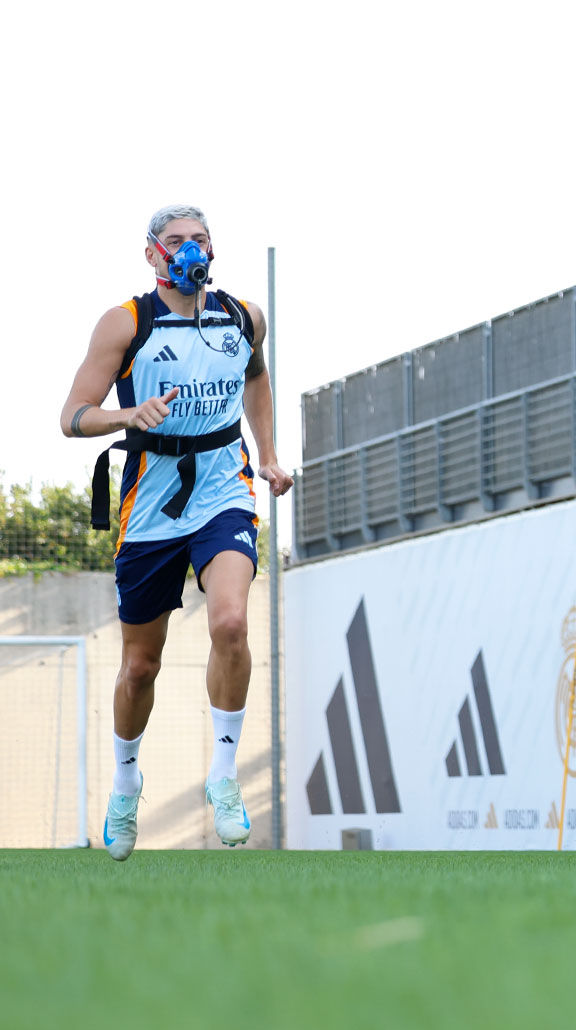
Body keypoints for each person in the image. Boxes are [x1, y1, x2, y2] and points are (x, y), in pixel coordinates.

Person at [57, 205, 292, 860]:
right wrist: (129, 413)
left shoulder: (244, 316)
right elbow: (73, 416)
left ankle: (223, 777)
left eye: (201, 240)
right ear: (153, 255)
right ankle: (127, 783)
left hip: (224, 491)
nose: (190, 251)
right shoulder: (127, 322)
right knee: (140, 667)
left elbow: (257, 379)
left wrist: (268, 454)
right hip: (151, 502)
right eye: (177, 242)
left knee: (231, 626)